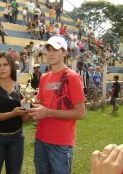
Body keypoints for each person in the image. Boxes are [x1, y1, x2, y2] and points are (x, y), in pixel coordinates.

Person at [27, 36, 86, 174]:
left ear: (65, 52)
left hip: (61, 143)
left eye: (55, 50)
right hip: (41, 139)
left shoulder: (72, 77)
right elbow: (38, 104)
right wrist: (26, 104)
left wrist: (47, 112)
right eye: (48, 49)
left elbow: (80, 113)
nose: (51, 53)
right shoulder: (44, 77)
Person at [0, 52, 30, 174]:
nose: (2, 68)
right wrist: (13, 113)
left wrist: (29, 104)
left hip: (17, 138)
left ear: (12, 66)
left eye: (5, 64)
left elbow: (25, 119)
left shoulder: (19, 87)